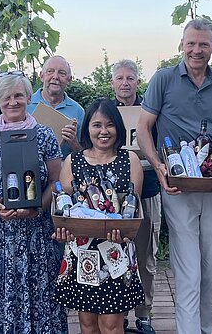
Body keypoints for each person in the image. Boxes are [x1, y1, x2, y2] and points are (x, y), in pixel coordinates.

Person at [136, 17, 212, 334]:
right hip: (178, 187)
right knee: (188, 272)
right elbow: (144, 128)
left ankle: (205, 328)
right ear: (182, 45)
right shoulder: (164, 79)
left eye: (203, 44)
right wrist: (158, 166)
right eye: (191, 43)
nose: (196, 50)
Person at [0, 71, 67, 333]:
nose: (13, 102)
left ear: (28, 97)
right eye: (6, 97)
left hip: (36, 236)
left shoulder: (44, 136)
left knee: (37, 295)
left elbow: (57, 182)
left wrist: (37, 208)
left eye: (18, 95)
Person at [54, 98, 145, 334]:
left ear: (118, 128)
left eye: (109, 125)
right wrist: (63, 230)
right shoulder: (72, 161)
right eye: (97, 125)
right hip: (83, 250)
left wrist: (124, 231)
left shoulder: (130, 160)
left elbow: (132, 209)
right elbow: (64, 209)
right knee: (87, 324)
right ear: (87, 129)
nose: (103, 131)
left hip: (115, 250)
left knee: (111, 324)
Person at [111, 59, 160, 334]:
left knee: (145, 257)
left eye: (130, 78)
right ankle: (120, 313)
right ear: (112, 83)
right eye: (120, 78)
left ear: (138, 82)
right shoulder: (105, 112)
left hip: (149, 190)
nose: (125, 83)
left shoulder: (150, 110)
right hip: (114, 193)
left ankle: (144, 314)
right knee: (115, 253)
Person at [27, 55, 85, 156]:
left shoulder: (78, 111)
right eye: (50, 71)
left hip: (65, 169)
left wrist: (73, 142)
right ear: (41, 76)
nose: (55, 77)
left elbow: (86, 155)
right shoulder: (25, 104)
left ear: (69, 80)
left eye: (62, 73)